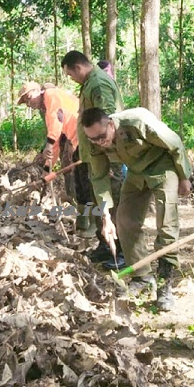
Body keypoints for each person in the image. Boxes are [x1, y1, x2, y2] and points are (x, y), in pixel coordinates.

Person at [82, 107, 192, 311]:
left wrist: (184, 177)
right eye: (93, 139)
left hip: (162, 167)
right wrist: (105, 217)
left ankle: (164, 284)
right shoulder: (94, 142)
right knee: (124, 220)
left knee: (167, 224)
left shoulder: (137, 122)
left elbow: (174, 143)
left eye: (102, 136)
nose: (99, 142)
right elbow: (99, 177)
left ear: (111, 124)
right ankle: (142, 277)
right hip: (136, 173)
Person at [61, 50, 126, 269]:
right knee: (100, 200)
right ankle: (105, 244)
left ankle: (121, 249)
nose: (72, 79)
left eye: (71, 74)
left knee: (113, 201)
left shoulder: (98, 84)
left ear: (78, 67)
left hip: (108, 155)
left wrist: (106, 155)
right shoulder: (89, 83)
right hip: (95, 155)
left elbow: (106, 122)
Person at [16, 81, 91, 234]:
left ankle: (94, 225)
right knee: (80, 183)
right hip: (77, 141)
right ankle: (83, 225)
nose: (29, 104)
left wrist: (48, 145)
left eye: (29, 98)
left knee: (87, 183)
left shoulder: (51, 95)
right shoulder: (46, 109)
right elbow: (54, 144)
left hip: (86, 137)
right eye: (26, 103)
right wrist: (46, 170)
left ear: (37, 91)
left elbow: (56, 125)